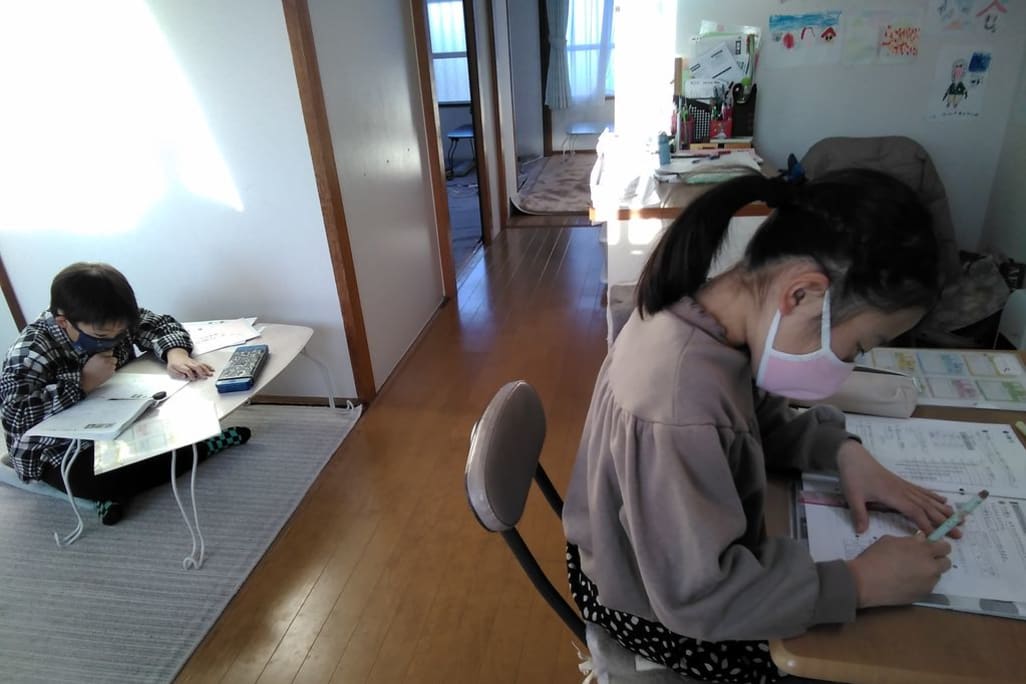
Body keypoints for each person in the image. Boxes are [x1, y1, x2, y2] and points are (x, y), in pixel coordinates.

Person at [562, 170, 957, 682]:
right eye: (858, 347)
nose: (849, 365)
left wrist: (842, 452)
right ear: (801, 294)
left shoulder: (711, 320)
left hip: (664, 570)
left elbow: (752, 425)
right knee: (866, 659)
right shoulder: (680, 404)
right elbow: (701, 598)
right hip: (646, 604)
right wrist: (859, 583)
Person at [1, 262, 250, 525]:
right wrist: (82, 383)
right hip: (59, 448)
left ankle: (131, 482)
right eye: (101, 335)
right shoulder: (29, 352)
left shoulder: (113, 320)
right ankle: (200, 448)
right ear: (64, 322)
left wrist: (175, 354)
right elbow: (16, 416)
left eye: (119, 333)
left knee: (183, 409)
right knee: (95, 480)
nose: (112, 340)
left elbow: (160, 325)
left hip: (120, 418)